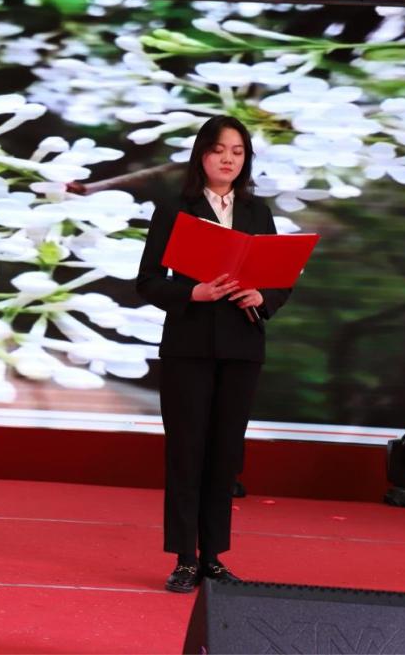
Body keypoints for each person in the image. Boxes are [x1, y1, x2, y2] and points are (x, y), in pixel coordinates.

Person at [135, 115, 290, 593]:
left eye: (238, 152)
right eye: (219, 149)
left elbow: (280, 280)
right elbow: (147, 283)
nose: (228, 159)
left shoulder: (257, 212)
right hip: (190, 346)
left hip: (242, 346)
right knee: (187, 452)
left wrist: (263, 297)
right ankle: (185, 559)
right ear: (201, 154)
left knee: (226, 455)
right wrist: (192, 293)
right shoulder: (175, 209)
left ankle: (214, 557)